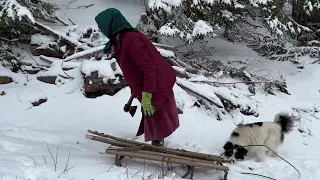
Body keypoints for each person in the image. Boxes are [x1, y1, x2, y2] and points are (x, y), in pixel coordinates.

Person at [95, 8, 180, 147]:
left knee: (156, 117)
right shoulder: (119, 40)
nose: (100, 29)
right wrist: (136, 89)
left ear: (110, 24)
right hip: (150, 83)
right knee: (153, 117)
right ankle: (157, 146)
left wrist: (147, 95)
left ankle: (158, 151)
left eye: (101, 25)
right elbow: (133, 69)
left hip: (157, 83)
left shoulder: (131, 40)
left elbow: (149, 68)